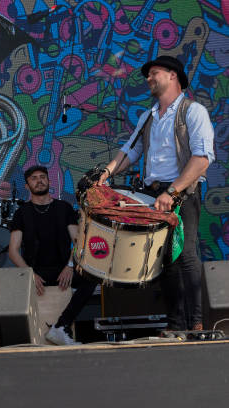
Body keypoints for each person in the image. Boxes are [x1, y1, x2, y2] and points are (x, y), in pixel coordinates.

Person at [96, 55, 215, 331]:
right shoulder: (148, 116)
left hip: (181, 191)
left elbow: (202, 159)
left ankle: (196, 323)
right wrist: (106, 173)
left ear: (173, 75)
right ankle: (175, 325)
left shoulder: (192, 111)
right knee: (165, 261)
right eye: (148, 74)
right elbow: (131, 150)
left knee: (184, 255)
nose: (149, 78)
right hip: (153, 195)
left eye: (154, 73)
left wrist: (172, 192)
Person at [8, 165, 97, 345]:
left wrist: (70, 266)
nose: (39, 180)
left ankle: (62, 326)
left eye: (42, 177)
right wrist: (29, 275)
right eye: (34, 178)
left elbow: (78, 241)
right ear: (26, 186)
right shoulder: (22, 213)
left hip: (62, 270)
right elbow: (13, 250)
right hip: (37, 273)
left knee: (91, 279)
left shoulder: (63, 208)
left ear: (49, 181)